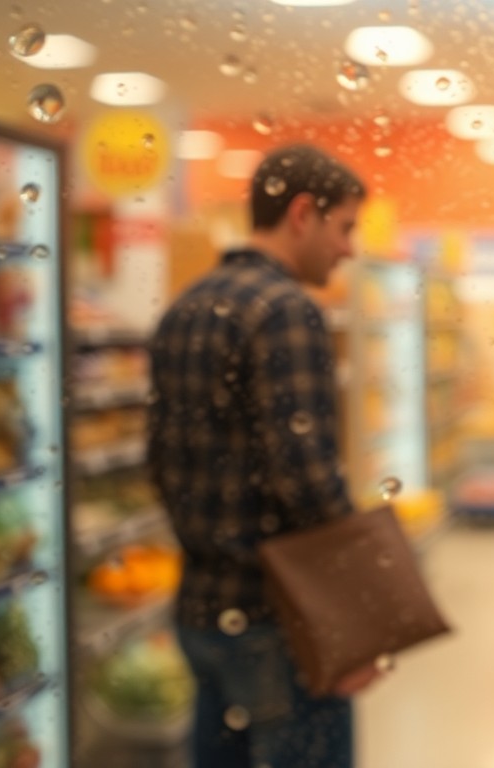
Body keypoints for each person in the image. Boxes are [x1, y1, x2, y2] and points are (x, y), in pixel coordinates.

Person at [147, 145, 372, 768]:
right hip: (280, 622)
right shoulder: (286, 311)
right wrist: (354, 622)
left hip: (200, 611)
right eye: (345, 227)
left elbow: (158, 463)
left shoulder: (183, 308)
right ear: (303, 213)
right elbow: (308, 479)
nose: (349, 249)